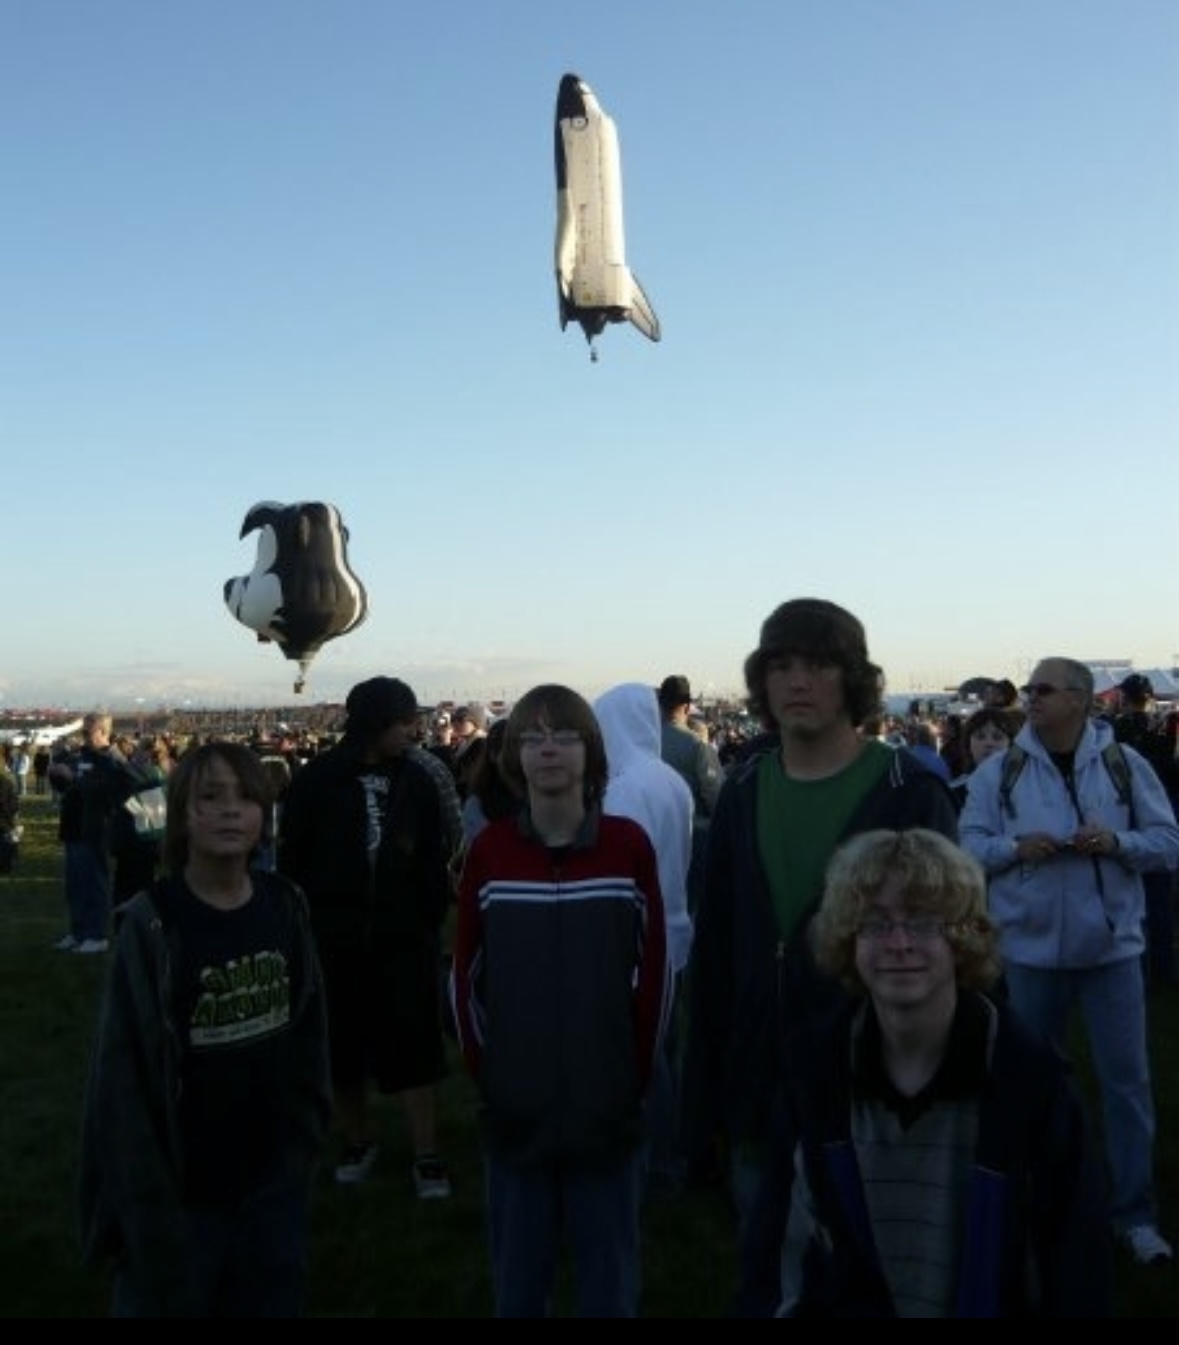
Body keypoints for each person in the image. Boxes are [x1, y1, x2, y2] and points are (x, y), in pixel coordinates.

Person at [739, 829, 1112, 1317]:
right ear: (848, 939)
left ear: (963, 936)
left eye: (923, 923)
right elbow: (776, 1258)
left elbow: (1075, 1268)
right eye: (875, 923)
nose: (899, 943)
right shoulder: (814, 1078)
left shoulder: (1032, 1086)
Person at [679, 598, 959, 1233]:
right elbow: (716, 950)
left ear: (853, 678)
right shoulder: (743, 793)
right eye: (780, 666)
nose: (797, 682)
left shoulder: (907, 792)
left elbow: (953, 951)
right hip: (758, 1087)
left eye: (818, 664)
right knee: (768, 1262)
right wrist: (704, 1101)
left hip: (872, 1094)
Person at [78, 741, 332, 1317]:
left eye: (246, 797)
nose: (230, 810)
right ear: (180, 814)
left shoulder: (284, 906)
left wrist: (305, 1131)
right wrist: (140, 1190)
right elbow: (121, 1070)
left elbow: (309, 1029)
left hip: (272, 1176)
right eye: (210, 797)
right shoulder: (153, 924)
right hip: (182, 1186)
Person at [450, 683, 670, 1317]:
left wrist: (630, 1074)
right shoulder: (490, 853)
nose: (548, 749)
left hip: (607, 1108)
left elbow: (654, 974)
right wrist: (492, 1073)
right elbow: (464, 977)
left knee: (610, 1283)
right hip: (516, 1111)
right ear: (513, 755)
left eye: (565, 734)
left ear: (592, 752)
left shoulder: (627, 847)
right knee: (519, 1285)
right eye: (533, 737)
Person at [959, 657, 1179, 1266]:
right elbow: (967, 846)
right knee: (1029, 1085)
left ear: (1081, 699)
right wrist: (1014, 848)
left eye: (1044, 689)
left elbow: (1168, 843)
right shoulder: (999, 772)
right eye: (1030, 689)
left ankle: (1134, 1216)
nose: (1030, 698)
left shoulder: (1124, 764)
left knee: (1126, 1086)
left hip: (1111, 952)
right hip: (1028, 952)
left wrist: (1116, 843)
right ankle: (1037, 1204)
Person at [278, 676, 457, 1199]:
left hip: (404, 936)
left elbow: (435, 849)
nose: (414, 732)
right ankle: (358, 1140)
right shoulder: (318, 779)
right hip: (336, 936)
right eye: (405, 722)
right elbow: (294, 853)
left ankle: (427, 1152)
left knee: (415, 1043)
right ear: (376, 723)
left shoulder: (418, 778)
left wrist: (428, 913)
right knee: (343, 1046)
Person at [593, 681, 694, 1199]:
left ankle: (659, 1165)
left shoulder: (625, 789)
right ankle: (671, 1151)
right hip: (673, 926)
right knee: (665, 1049)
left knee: (645, 1058)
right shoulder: (669, 778)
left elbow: (619, 869)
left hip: (640, 938)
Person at [48, 711, 146, 955]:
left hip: (96, 829)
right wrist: (58, 776)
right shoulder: (81, 755)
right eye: (82, 730)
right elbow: (68, 784)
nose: (83, 736)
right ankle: (78, 931)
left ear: (103, 732)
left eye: (87, 731)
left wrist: (88, 787)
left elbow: (133, 785)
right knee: (75, 885)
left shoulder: (112, 758)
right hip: (73, 827)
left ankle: (96, 934)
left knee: (94, 882)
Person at [1113, 672, 1179, 988]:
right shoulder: (1165, 727)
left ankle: (1138, 969)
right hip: (1164, 813)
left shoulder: (1116, 730)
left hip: (1128, 818)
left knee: (1131, 901)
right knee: (1160, 900)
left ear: (1124, 698)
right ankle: (1163, 968)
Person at [947, 706, 1017, 812]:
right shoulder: (953, 794)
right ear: (968, 744)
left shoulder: (1025, 790)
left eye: (997, 737)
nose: (989, 743)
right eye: (980, 737)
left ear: (1011, 744)